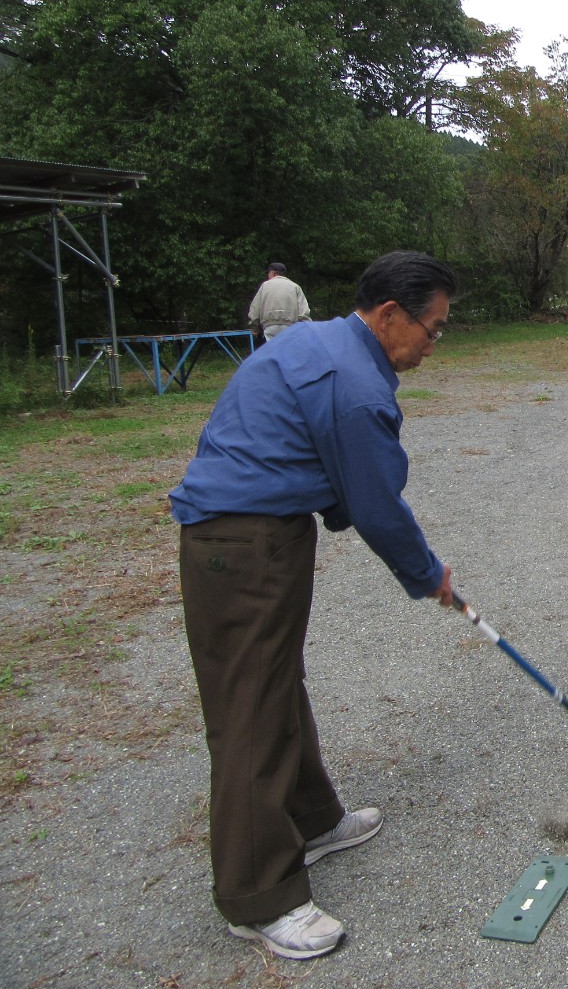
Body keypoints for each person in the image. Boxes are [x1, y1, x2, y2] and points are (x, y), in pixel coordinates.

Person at [170, 251, 459, 960]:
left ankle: (311, 817)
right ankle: (258, 894)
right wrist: (427, 574)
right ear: (389, 313)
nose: (434, 343)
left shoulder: (318, 338)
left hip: (253, 531)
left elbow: (328, 472)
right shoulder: (356, 383)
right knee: (250, 713)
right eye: (433, 328)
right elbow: (373, 504)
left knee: (272, 682)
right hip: (243, 541)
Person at [248, 261, 311, 341]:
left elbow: (254, 309)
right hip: (290, 326)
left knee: (273, 351)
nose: (268, 276)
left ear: (273, 273)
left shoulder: (265, 286)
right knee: (288, 351)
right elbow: (304, 312)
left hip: (269, 326)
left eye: (268, 273)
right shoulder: (295, 287)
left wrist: (254, 328)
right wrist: (308, 328)